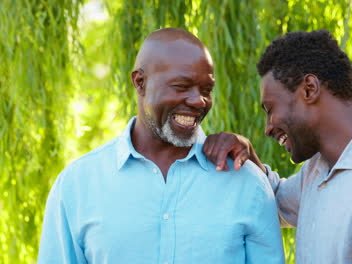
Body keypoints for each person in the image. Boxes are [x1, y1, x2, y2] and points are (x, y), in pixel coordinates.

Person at [38, 28, 284, 264]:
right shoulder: (77, 185)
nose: (198, 100)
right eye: (181, 87)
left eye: (206, 90)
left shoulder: (247, 184)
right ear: (140, 82)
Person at [203, 30, 352, 263]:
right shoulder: (318, 171)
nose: (267, 128)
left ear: (309, 89)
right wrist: (246, 153)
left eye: (270, 109)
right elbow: (269, 201)